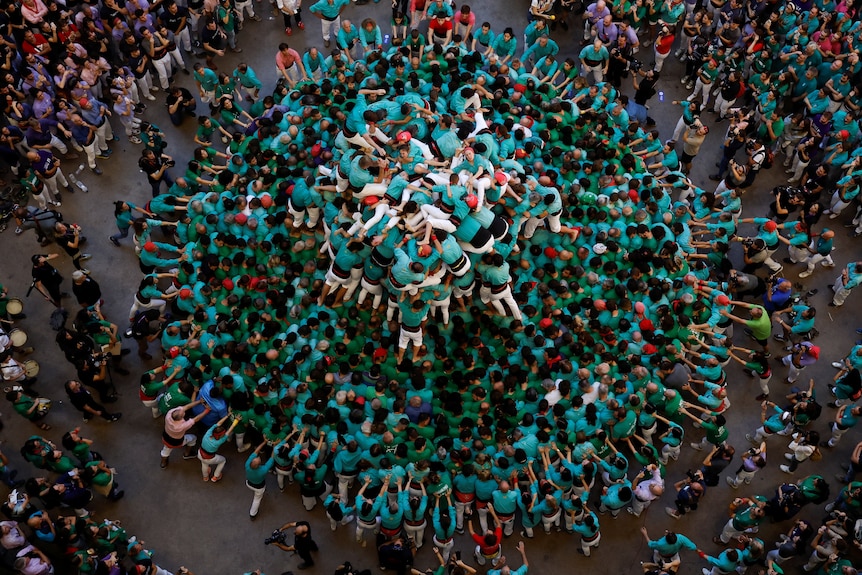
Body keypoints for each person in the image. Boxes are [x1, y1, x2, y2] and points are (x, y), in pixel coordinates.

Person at [161, 399, 209, 468]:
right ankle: (187, 454)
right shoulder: (181, 426)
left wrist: (199, 401)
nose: (183, 411)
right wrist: (207, 411)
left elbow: (185, 407)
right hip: (176, 442)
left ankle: (163, 462)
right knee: (193, 438)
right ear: (180, 418)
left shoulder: (169, 414)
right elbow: (196, 419)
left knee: (166, 449)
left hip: (166, 437)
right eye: (183, 413)